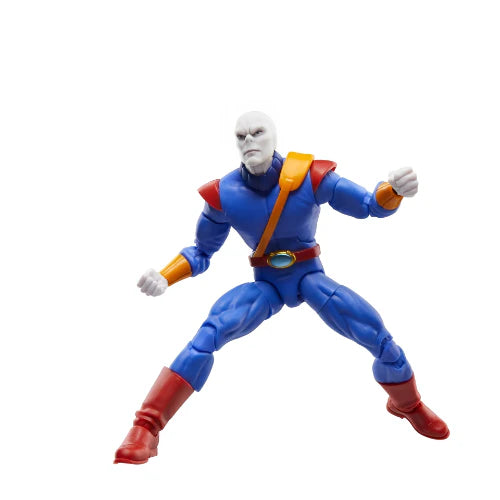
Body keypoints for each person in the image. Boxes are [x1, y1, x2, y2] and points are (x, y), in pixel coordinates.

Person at [114, 111, 449, 465]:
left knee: (376, 335)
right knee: (208, 334)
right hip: (266, 285)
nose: (249, 141)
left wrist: (393, 191)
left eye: (257, 132)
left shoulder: (309, 175)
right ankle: (147, 426)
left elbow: (368, 205)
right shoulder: (224, 194)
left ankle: (407, 404)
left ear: (274, 137)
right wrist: (166, 275)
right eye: (241, 136)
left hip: (309, 277)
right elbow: (201, 251)